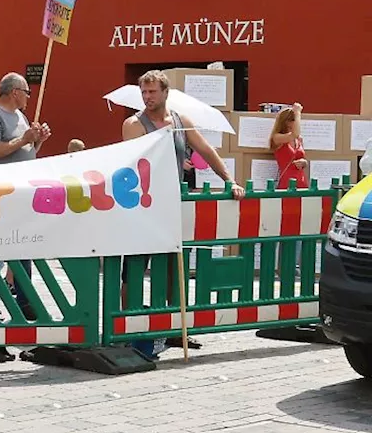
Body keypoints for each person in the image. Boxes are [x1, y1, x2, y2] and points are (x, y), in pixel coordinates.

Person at [122, 69, 244, 352]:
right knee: (134, 268)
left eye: (152, 92)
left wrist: (230, 180)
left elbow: (206, 150)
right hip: (144, 204)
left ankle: (174, 328)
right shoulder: (133, 124)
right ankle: (128, 327)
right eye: (144, 92)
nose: (148, 97)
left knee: (172, 268)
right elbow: (132, 160)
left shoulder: (180, 121)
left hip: (174, 203)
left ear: (165, 93)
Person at [0, 73, 52, 321]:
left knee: (24, 245)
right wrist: (24, 138)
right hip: (1, 191)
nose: (28, 97)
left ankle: (25, 299)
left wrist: (37, 141)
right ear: (15, 92)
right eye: (26, 92)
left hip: (21, 189)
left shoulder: (20, 116)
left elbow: (26, 150)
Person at [270, 103, 308, 189]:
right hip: (287, 183)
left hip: (301, 181)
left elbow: (302, 158)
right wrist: (297, 112)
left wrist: (304, 163)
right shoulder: (277, 137)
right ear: (287, 122)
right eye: (295, 120)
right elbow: (294, 134)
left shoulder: (299, 139)